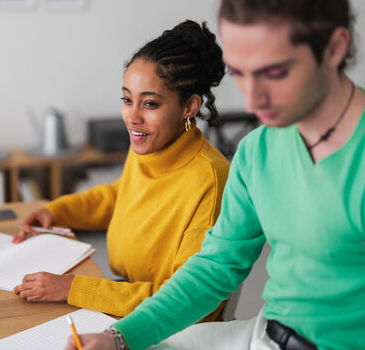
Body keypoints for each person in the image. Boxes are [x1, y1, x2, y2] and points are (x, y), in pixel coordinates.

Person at [65, 0, 365, 349]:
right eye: (240, 73)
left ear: (334, 48)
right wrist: (119, 338)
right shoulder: (259, 150)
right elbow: (213, 270)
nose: (253, 100)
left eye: (273, 72)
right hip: (266, 334)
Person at [12, 20, 230, 320]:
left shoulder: (210, 179)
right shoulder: (151, 146)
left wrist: (73, 288)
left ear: (190, 106)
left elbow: (185, 302)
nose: (132, 117)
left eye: (150, 104)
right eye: (127, 100)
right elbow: (120, 195)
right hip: (126, 299)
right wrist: (56, 212)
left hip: (166, 325)